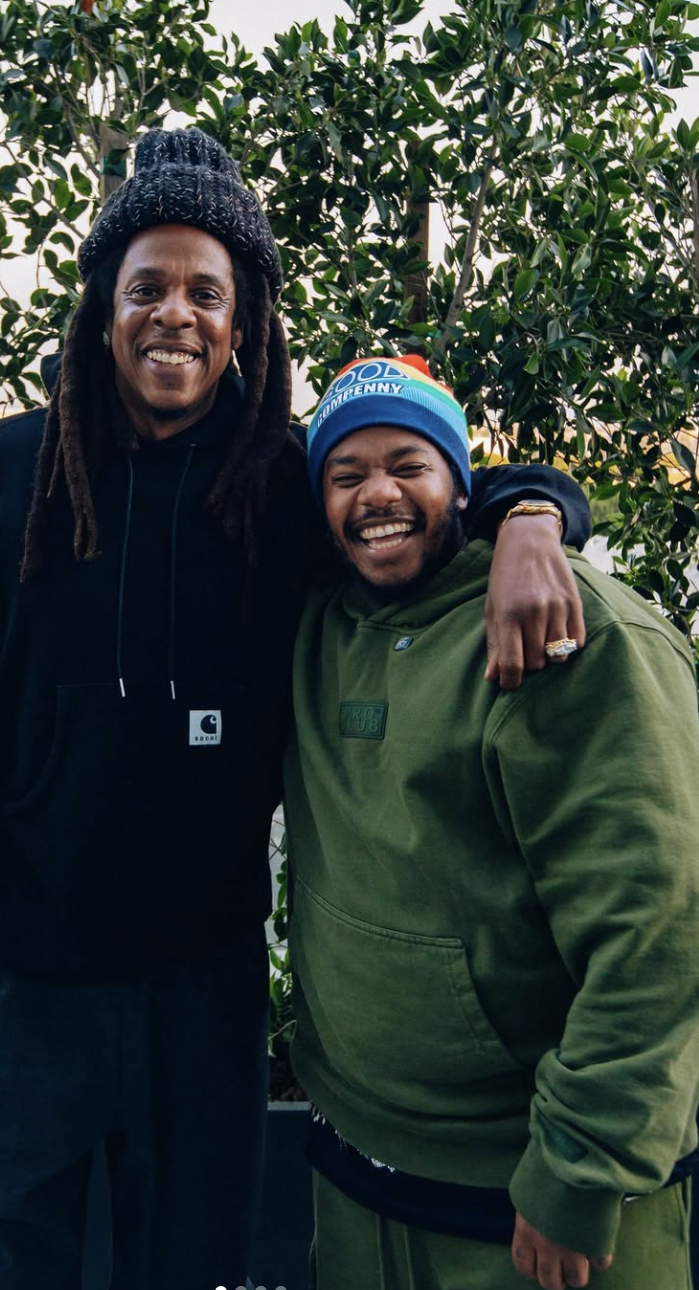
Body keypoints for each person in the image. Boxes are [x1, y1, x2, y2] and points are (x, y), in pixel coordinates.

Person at [0, 131, 591, 1290]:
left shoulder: (282, 488)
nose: (174, 315)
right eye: (146, 286)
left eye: (207, 290)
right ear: (105, 307)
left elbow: (416, 487)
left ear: (242, 319)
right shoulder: (5, 479)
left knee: (188, 1271)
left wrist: (537, 516)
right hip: (5, 989)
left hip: (195, 993)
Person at [283, 354, 699, 1290]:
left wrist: (579, 1171)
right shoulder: (318, 619)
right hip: (357, 1174)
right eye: (346, 475)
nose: (376, 495)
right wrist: (537, 505)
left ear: (462, 485)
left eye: (409, 466)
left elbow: (660, 935)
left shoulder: (566, 635)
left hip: (529, 1203)